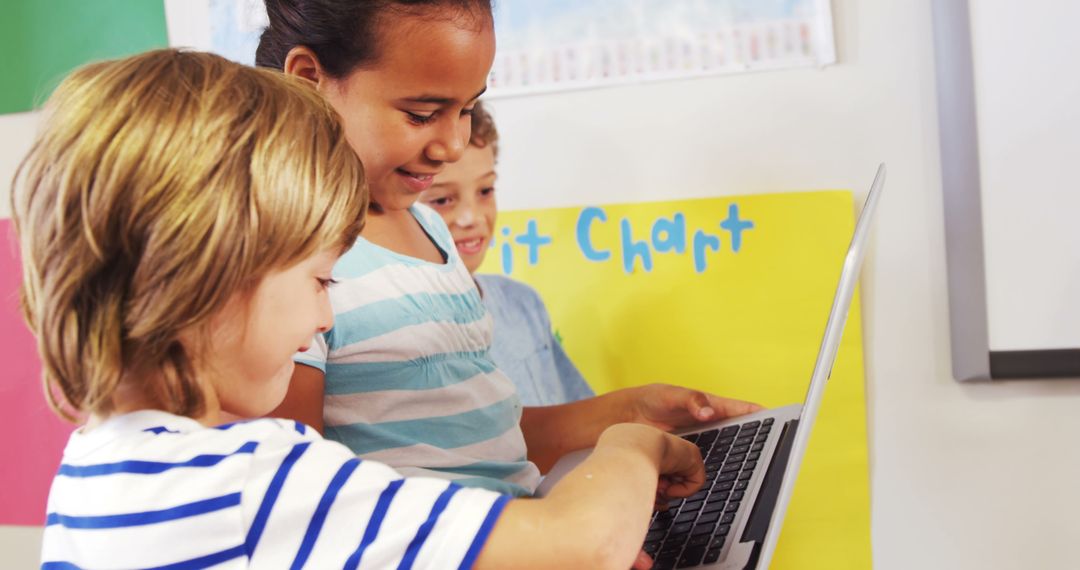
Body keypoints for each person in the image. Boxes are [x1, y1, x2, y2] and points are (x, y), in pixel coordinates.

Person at [15, 49, 707, 570]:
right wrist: (630, 445)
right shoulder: (255, 476)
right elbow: (583, 546)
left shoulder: (92, 468)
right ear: (213, 276)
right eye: (320, 281)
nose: (323, 319)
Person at [258, 0, 761, 495]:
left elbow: (486, 444)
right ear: (308, 80)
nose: (453, 145)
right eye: (421, 114)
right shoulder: (292, 259)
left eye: (468, 108)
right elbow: (306, 496)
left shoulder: (430, 229)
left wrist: (630, 412)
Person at [418, 102, 595, 406]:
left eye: (485, 191)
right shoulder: (401, 333)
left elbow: (577, 414)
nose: (470, 217)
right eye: (443, 199)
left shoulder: (523, 304)